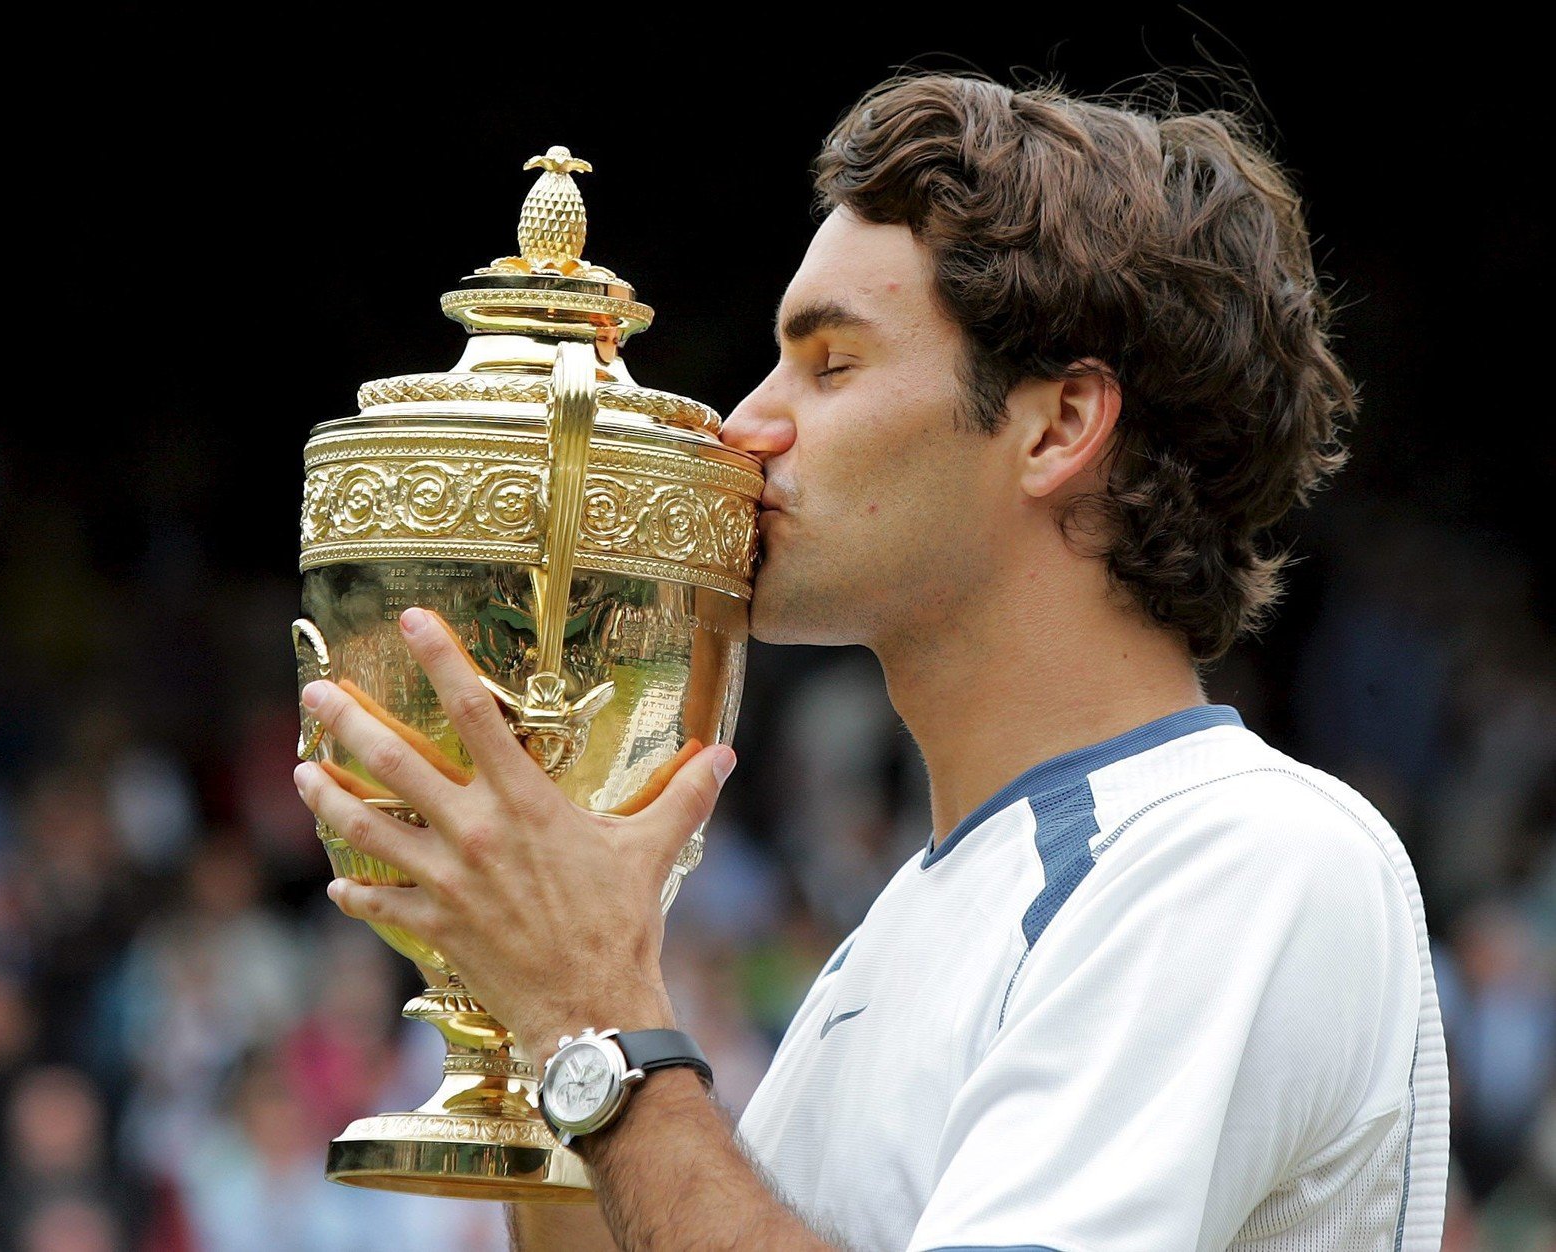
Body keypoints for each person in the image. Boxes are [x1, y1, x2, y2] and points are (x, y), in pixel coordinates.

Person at [292, 71, 1449, 1251]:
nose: (746, 425)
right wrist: (534, 990)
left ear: (1056, 428)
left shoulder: (1239, 856)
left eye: (829, 364)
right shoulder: (911, 918)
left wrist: (598, 1020)